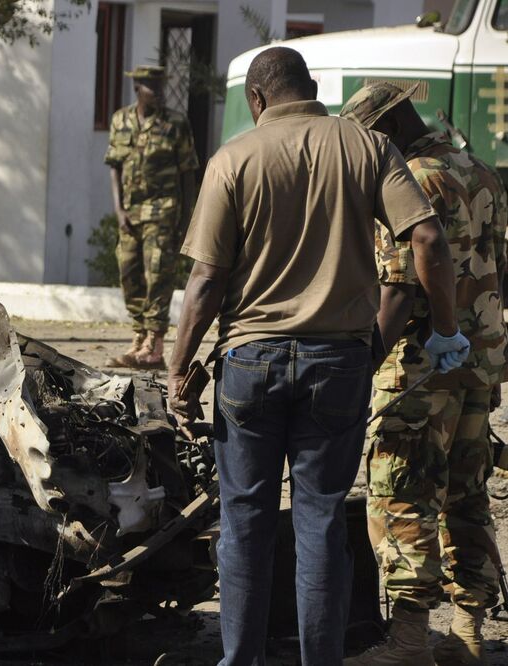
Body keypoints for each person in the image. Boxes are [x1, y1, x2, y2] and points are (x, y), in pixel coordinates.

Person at [165, 47, 468, 666]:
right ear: (310, 88)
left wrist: (177, 370)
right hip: (339, 364)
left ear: (257, 99)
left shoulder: (233, 159)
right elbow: (429, 238)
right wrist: (443, 328)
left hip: (249, 362)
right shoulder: (366, 147)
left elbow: (205, 281)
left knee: (244, 519)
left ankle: (239, 659)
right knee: (321, 521)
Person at [340, 83, 507, 666]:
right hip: (479, 361)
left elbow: (398, 286)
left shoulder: (405, 179)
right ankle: (468, 631)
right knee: (467, 492)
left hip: (419, 370)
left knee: (402, 492)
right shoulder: (481, 169)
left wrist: (361, 367)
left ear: (382, 131)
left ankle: (410, 641)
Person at [104, 65, 198, 370]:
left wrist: (186, 220)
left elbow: (188, 173)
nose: (157, 92)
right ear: (138, 89)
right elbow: (115, 167)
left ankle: (154, 347)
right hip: (130, 213)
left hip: (163, 211)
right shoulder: (121, 120)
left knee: (158, 276)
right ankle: (139, 335)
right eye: (151, 87)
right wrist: (118, 210)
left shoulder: (175, 123)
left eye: (160, 86)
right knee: (129, 273)